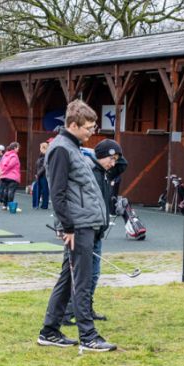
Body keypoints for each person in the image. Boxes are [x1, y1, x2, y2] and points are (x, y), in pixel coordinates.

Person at [37, 100, 117, 352]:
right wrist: (68, 227)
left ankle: (49, 331)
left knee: (68, 278)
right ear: (73, 125)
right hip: (78, 226)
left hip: (85, 224)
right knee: (81, 280)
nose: (92, 131)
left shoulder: (75, 147)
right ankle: (89, 336)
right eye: (88, 127)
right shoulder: (61, 149)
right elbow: (57, 193)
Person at [61, 138, 121, 325]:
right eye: (111, 159)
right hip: (83, 227)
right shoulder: (88, 170)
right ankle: (67, 312)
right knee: (77, 274)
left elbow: (123, 164)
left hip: (97, 229)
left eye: (115, 160)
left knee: (93, 274)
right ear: (101, 156)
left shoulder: (104, 172)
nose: (114, 164)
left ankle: (85, 308)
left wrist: (113, 154)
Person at [0, 142, 20, 209]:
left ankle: (4, 206)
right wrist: (3, 171)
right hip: (13, 176)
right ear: (15, 148)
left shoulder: (5, 155)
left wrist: (1, 173)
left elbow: (1, 165)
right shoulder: (14, 155)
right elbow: (10, 165)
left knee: (6, 191)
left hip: (4, 176)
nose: (18, 149)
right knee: (11, 191)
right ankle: (10, 206)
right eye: (18, 147)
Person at [32, 140, 51, 209]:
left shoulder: (47, 156)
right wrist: (36, 173)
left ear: (43, 148)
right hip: (40, 175)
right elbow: (37, 166)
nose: (39, 148)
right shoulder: (41, 155)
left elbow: (44, 166)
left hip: (44, 175)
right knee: (37, 189)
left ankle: (44, 205)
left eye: (40, 147)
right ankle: (36, 204)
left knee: (44, 190)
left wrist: (38, 174)